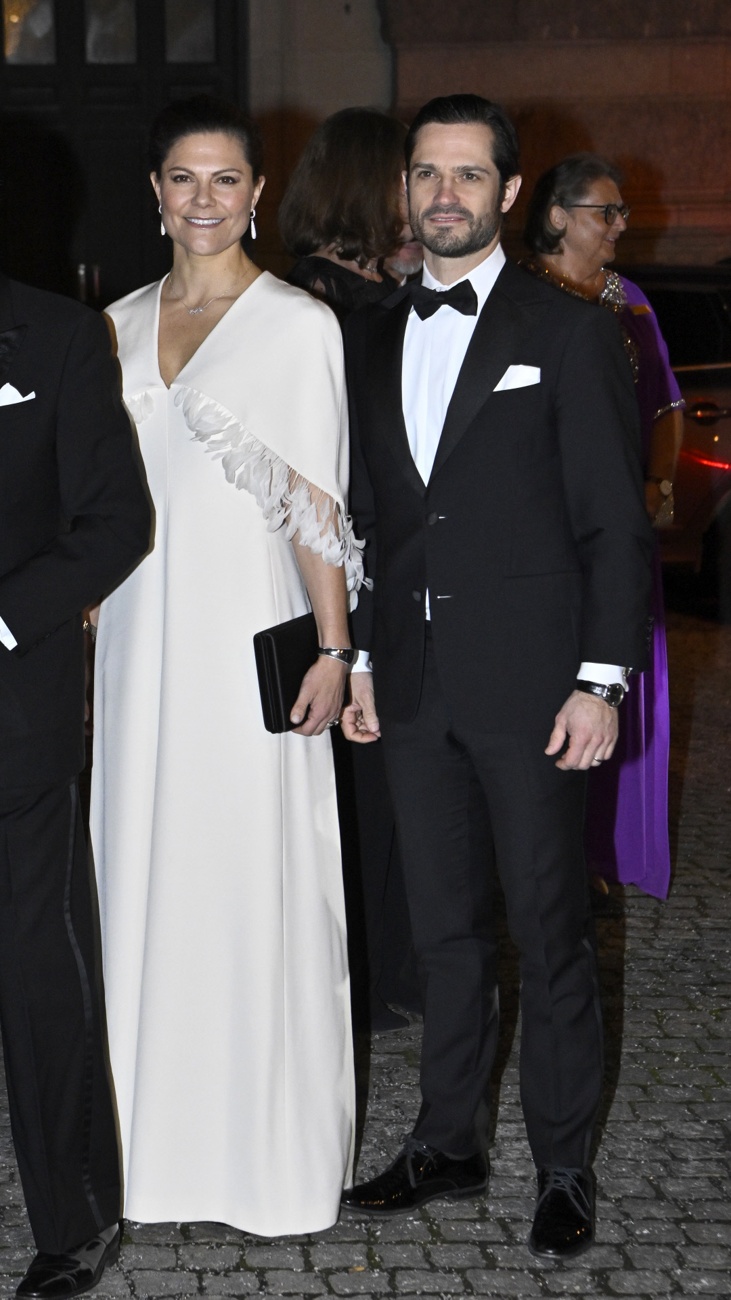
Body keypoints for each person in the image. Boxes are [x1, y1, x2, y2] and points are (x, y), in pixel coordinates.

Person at [339, 94, 653, 1259]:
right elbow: (374, 516)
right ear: (405, 188)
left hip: (532, 690)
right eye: (426, 173)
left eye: (467, 175)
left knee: (549, 928)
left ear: (508, 194)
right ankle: (446, 1142)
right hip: (412, 683)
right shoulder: (369, 333)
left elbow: (613, 530)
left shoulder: (568, 331)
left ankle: (563, 1166)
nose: (443, 195)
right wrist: (363, 655)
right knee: (443, 937)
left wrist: (599, 681)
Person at [90, 95, 360, 1236]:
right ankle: (144, 1158)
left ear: (258, 192)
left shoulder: (300, 326)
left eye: (226, 181)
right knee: (134, 872)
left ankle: (264, 1161)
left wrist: (337, 651)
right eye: (182, 180)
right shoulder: (106, 326)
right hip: (133, 649)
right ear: (154, 194)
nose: (203, 201)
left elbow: (319, 511)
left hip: (247, 645)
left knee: (251, 885)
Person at [0, 273, 150, 1296]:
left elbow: (114, 520)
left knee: (36, 971)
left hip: (10, 709)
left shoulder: (54, 336)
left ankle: (75, 1216)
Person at [280, 108, 421, 1030]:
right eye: (411, 176)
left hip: (384, 570)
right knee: (354, 786)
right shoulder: (317, 307)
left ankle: (385, 969)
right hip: (338, 577)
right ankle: (360, 976)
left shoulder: (369, 298)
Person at [522, 153, 684, 901]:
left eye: (621, 212)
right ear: (556, 215)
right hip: (537, 530)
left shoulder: (631, 303)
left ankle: (606, 855)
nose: (621, 225)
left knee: (614, 676)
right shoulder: (517, 296)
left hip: (612, 527)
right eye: (605, 211)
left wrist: (653, 482)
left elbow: (666, 409)